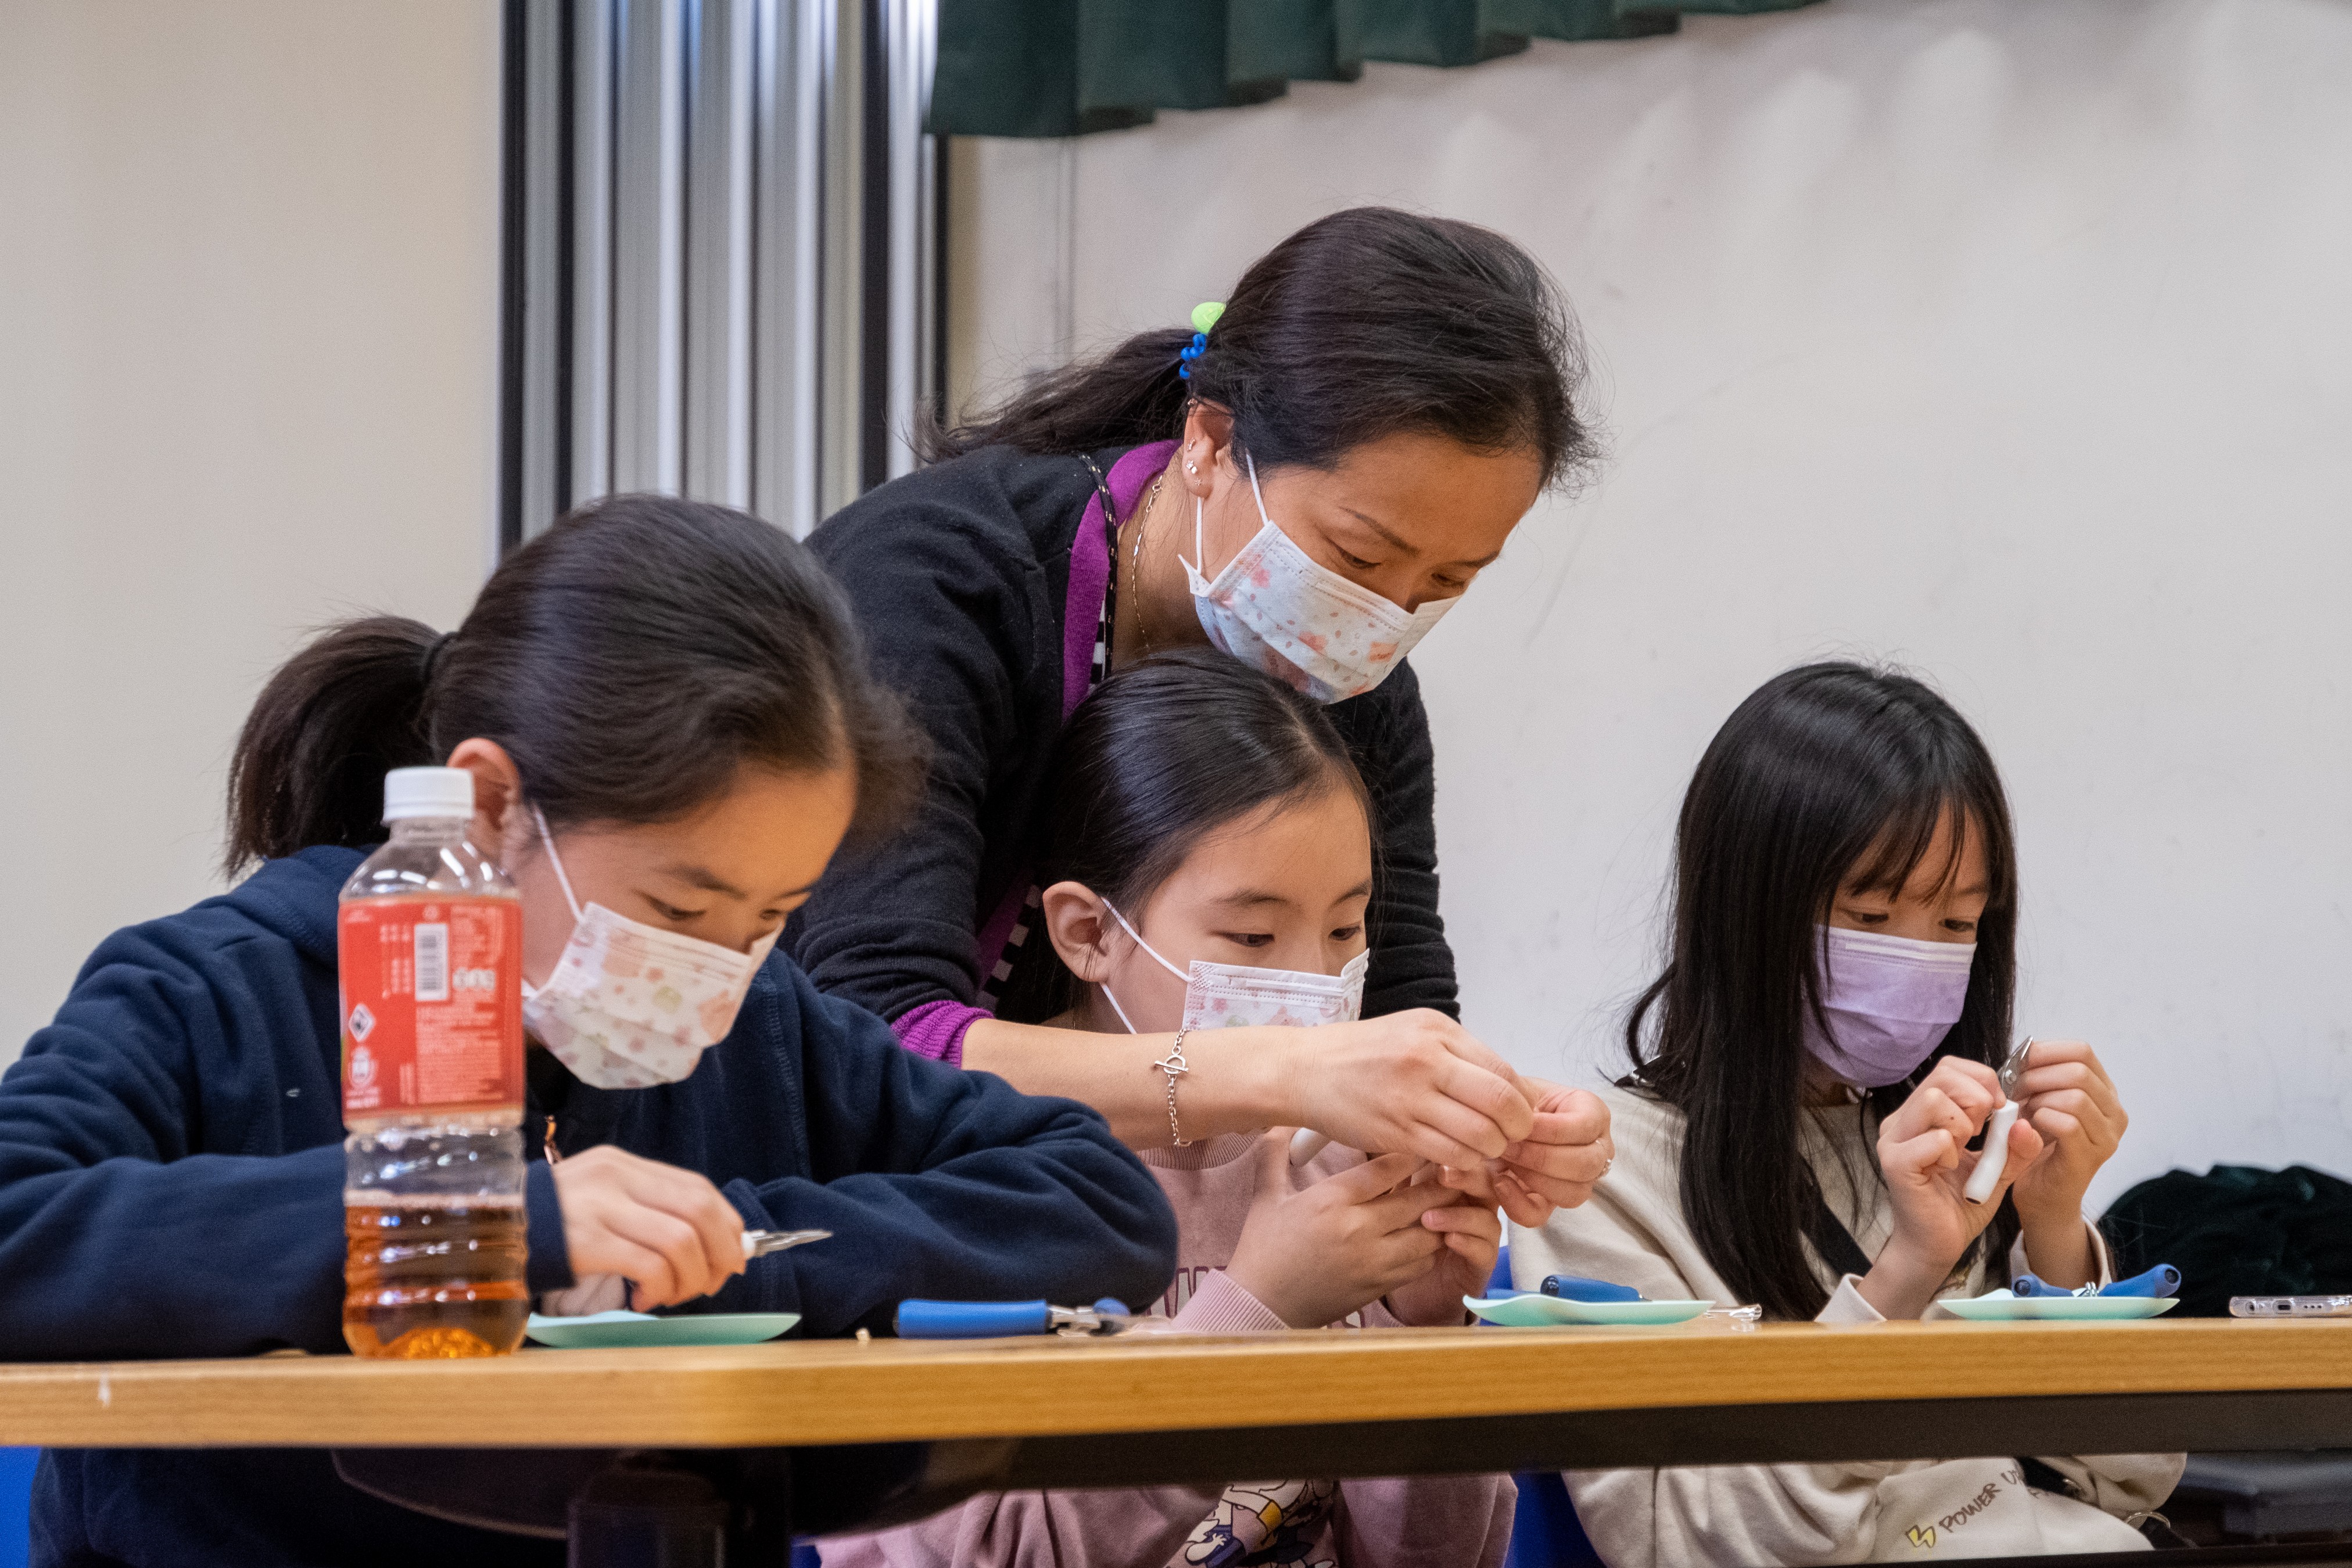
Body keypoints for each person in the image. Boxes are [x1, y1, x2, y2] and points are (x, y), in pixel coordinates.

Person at [0, 497, 1178, 1568]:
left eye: (769, 917)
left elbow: (1094, 1200)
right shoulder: (221, 993)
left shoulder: (763, 1024)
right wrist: (472, 1225)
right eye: (679, 911)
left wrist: (726, 1253)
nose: (718, 972)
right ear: (490, 805)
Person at [791, 207, 1609, 1219]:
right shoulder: (931, 588)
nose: (1385, 618)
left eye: (1450, 579)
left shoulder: (1355, 683)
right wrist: (1281, 1074)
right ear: (1211, 441)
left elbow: (1398, 1016)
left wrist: (1485, 1129)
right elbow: (880, 1046)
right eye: (1358, 555)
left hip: (1084, 1224)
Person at [824, 651, 1521, 1568]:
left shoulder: (1338, 1161)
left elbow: (1437, 1558)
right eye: (1253, 935)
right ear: (1089, 933)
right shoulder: (967, 1181)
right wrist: (1258, 1311)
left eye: (1346, 928)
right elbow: (988, 1556)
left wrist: (1428, 1339)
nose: (1316, 979)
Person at [1511, 663, 2181, 1565]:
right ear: (1748, 911)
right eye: (1871, 914)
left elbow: (2128, 1482)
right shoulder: (1596, 1170)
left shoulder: (1958, 1145)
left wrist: (2053, 1225)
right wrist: (1907, 1271)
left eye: (1957, 926)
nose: (1919, 958)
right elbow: (1699, 1547)